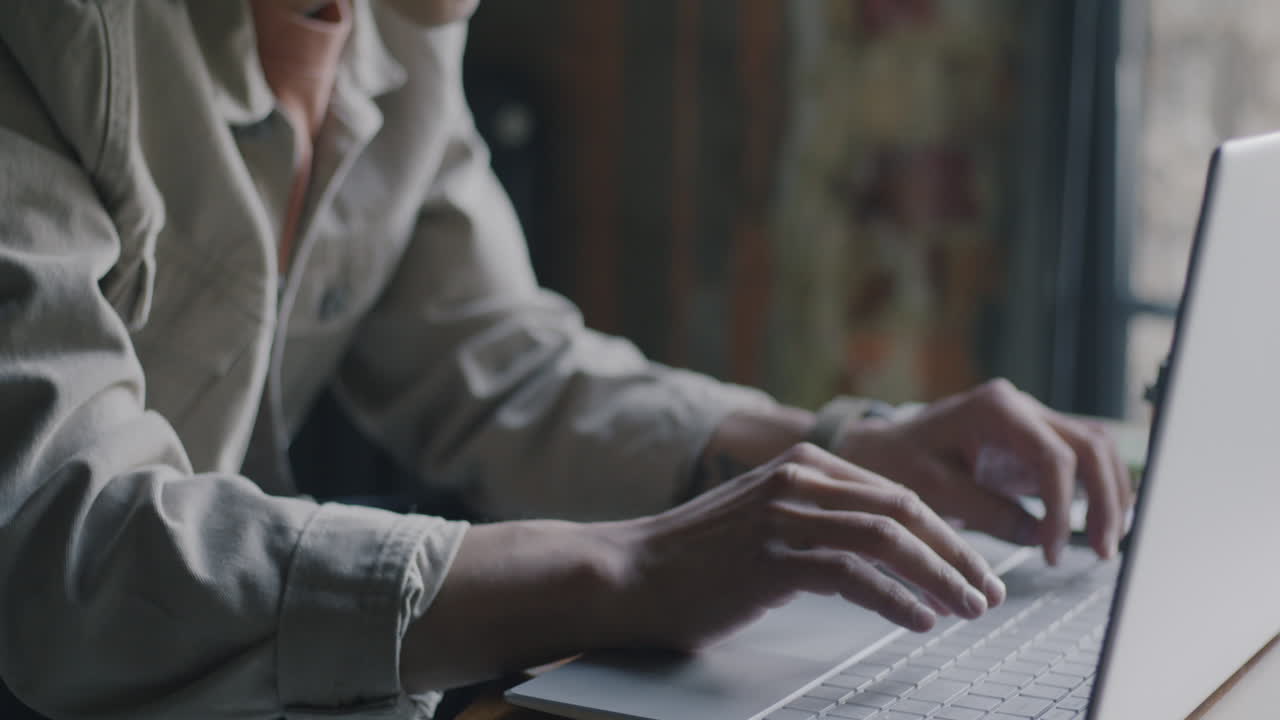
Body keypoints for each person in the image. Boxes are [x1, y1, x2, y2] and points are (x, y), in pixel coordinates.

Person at [0, 1, 1132, 718]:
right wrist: (617, 572)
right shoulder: (49, 38)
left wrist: (836, 449)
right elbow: (59, 541)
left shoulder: (397, 32)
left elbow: (497, 359)